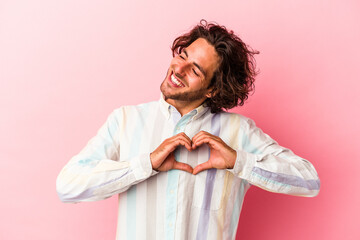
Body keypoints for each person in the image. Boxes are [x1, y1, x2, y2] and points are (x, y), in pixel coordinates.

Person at [56, 20, 320, 240]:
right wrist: (145, 165)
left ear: (212, 89)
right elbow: (68, 186)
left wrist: (239, 162)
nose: (178, 69)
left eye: (194, 69)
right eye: (182, 56)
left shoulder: (238, 132)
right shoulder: (125, 120)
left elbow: (309, 181)